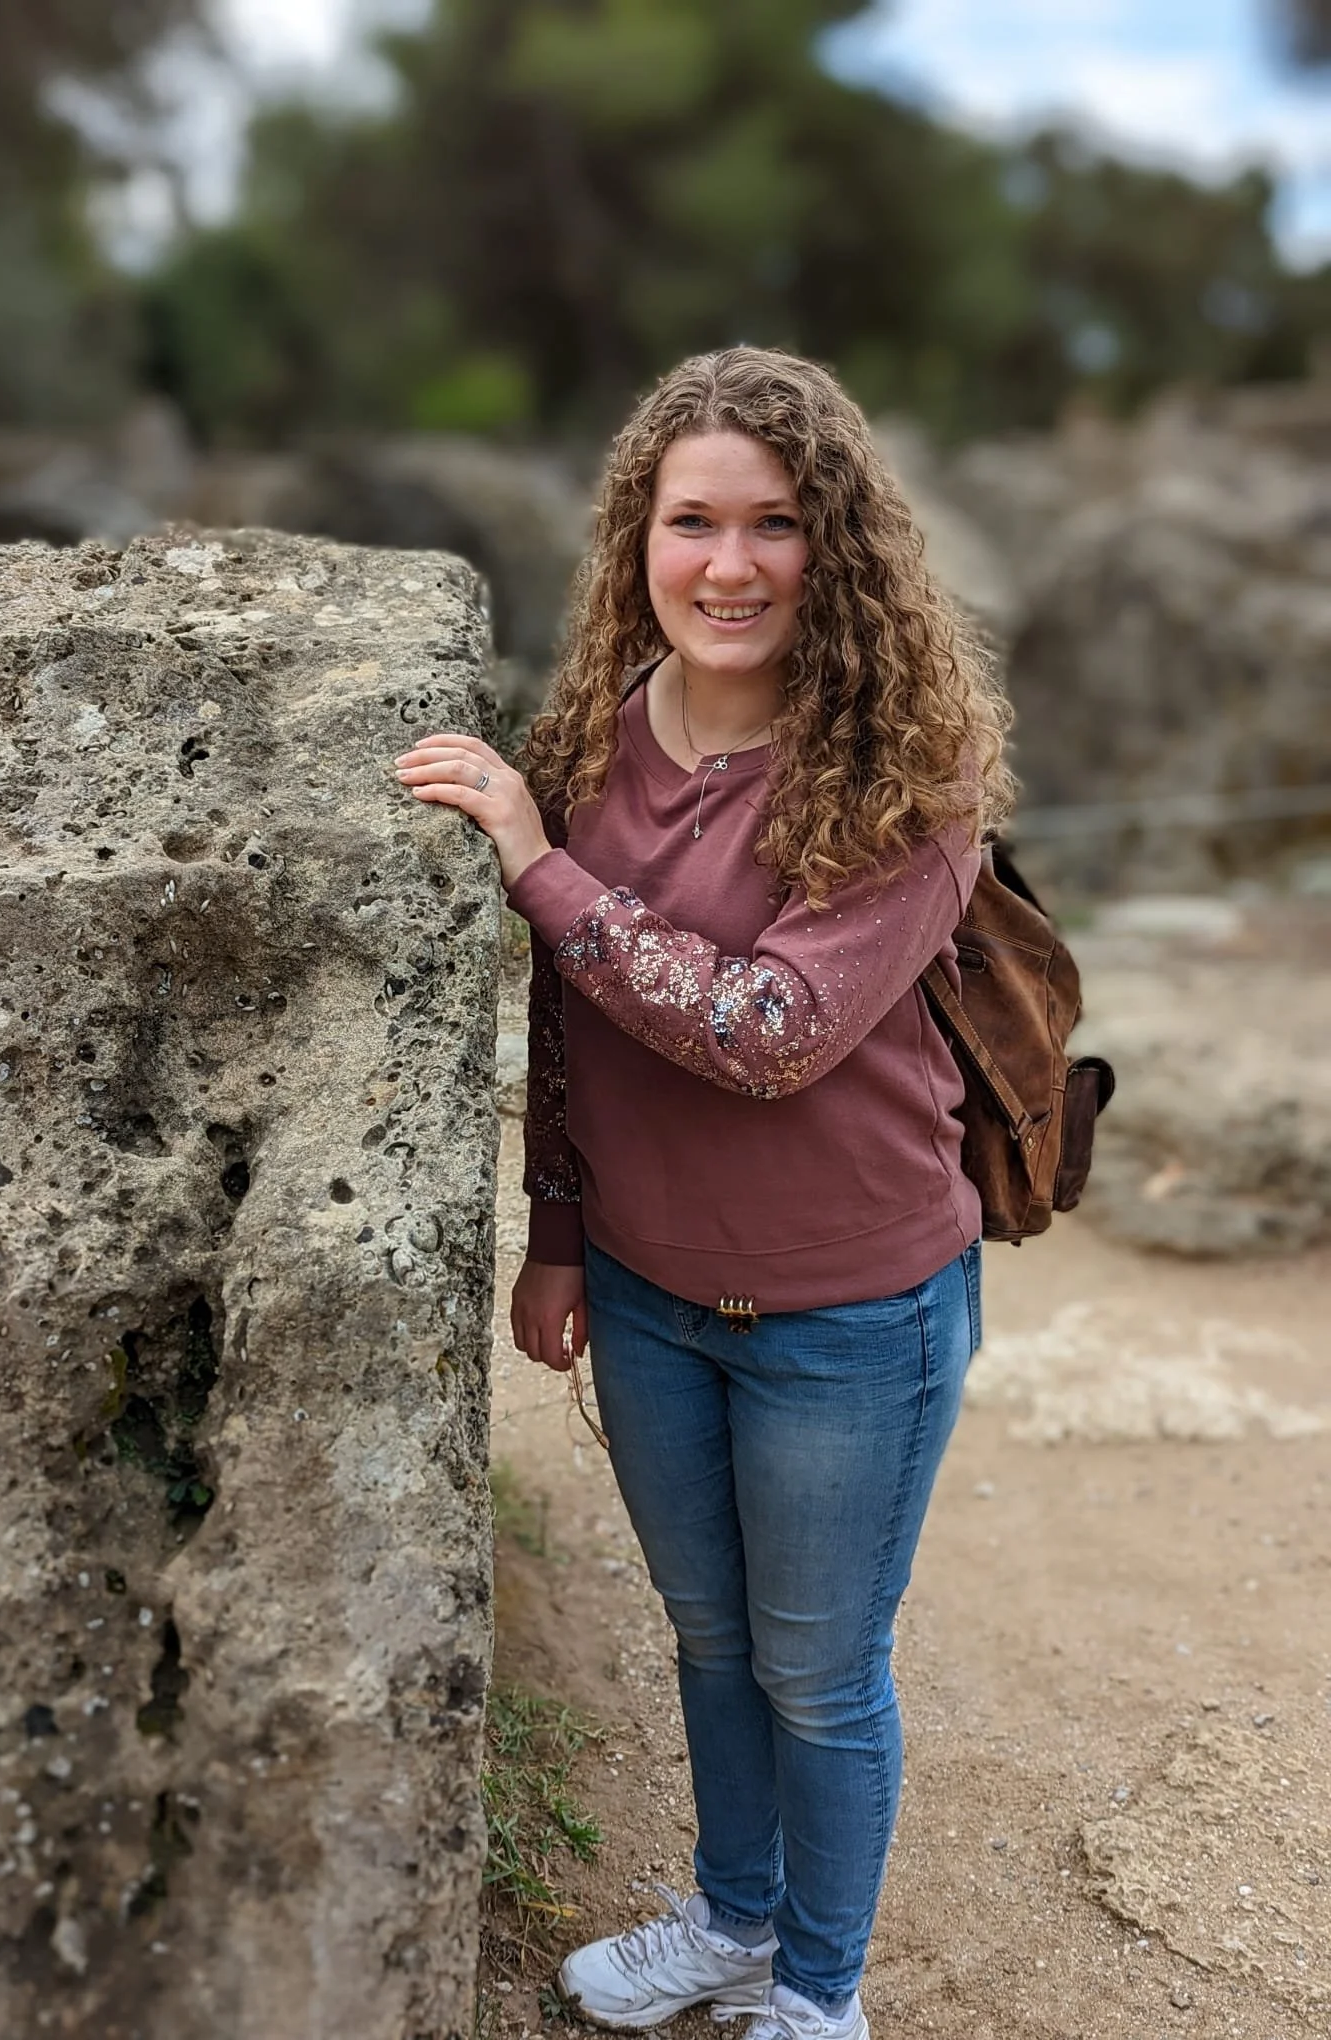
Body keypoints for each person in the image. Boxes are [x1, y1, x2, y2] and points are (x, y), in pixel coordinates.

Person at [393, 346, 1013, 2040]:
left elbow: (773, 1033)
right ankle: (736, 1922)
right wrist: (555, 1231)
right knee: (711, 1642)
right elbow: (565, 1023)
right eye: (692, 521)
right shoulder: (590, 739)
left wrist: (537, 860)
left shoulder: (910, 768)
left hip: (854, 1314)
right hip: (657, 1298)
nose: (729, 564)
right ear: (637, 538)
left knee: (818, 1673)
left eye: (777, 523)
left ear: (843, 549)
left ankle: (821, 1993)